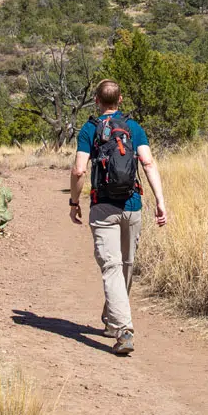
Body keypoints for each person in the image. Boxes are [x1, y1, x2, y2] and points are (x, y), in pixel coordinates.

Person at [69, 79, 167, 356]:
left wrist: (74, 202)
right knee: (125, 265)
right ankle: (116, 319)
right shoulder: (133, 127)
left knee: (112, 266)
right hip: (132, 205)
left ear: (96, 101)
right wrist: (160, 201)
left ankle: (122, 329)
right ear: (120, 99)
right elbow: (147, 163)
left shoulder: (89, 129)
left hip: (103, 207)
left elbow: (79, 170)